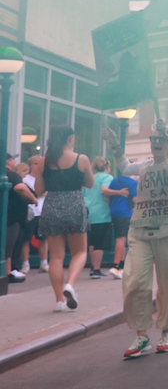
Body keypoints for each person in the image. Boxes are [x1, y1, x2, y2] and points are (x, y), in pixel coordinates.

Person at [104, 120, 168, 358]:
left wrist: (167, 135)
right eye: (154, 139)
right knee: (134, 282)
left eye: (162, 139)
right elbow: (124, 167)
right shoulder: (146, 166)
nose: (157, 142)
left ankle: (166, 332)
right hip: (140, 230)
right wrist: (114, 144)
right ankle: (141, 336)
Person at [35, 127, 95, 311]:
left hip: (52, 205)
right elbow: (90, 184)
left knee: (56, 257)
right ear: (70, 138)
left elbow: (38, 191)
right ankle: (70, 284)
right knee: (80, 252)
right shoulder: (81, 159)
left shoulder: (43, 162)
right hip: (74, 204)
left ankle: (59, 301)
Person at [4, 154, 37, 284]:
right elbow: (20, 187)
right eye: (12, 158)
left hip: (10, 216)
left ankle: (9, 272)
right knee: (10, 245)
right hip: (12, 217)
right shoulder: (11, 175)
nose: (15, 161)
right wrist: (33, 199)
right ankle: (8, 273)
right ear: (8, 161)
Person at [82, 157, 114, 279]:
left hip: (89, 212)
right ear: (107, 167)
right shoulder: (107, 177)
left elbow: (83, 195)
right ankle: (97, 269)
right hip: (102, 213)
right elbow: (104, 191)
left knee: (92, 242)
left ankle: (92, 266)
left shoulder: (90, 179)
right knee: (99, 243)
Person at [20, 155, 49, 274]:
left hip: (42, 211)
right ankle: (25, 264)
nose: (38, 166)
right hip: (30, 211)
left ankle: (44, 263)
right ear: (31, 165)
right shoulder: (25, 179)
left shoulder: (45, 178)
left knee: (43, 238)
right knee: (26, 239)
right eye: (36, 164)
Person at [105, 171, 137, 280]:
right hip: (126, 213)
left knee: (120, 238)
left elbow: (107, 196)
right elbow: (135, 199)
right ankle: (115, 266)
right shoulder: (133, 183)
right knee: (121, 239)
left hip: (114, 212)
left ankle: (121, 267)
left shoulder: (114, 181)